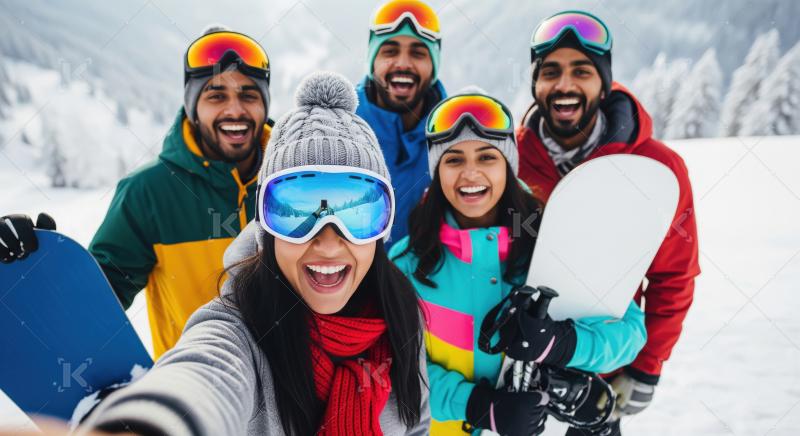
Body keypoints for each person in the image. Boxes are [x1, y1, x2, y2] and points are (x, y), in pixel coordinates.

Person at [60, 72, 429, 435]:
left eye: (357, 211)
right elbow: (204, 376)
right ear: (265, 228)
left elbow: (416, 426)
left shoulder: (400, 315)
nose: (329, 242)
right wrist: (146, 424)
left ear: (383, 226)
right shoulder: (241, 328)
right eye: (296, 212)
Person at [0, 27, 274, 359]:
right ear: (192, 107)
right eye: (216, 96)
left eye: (249, 95)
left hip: (294, 387)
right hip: (198, 383)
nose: (234, 110)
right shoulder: (149, 193)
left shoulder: (291, 181)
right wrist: (38, 273)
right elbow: (94, 306)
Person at [389, 92, 647, 436]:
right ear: (437, 172)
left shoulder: (551, 242)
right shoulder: (407, 263)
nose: (470, 173)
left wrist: (563, 343)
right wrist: (476, 405)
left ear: (508, 166)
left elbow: (630, 333)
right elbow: (394, 368)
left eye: (487, 157)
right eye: (453, 160)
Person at [516, 11, 700, 435]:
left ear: (604, 84)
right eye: (550, 72)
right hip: (519, 367)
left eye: (582, 71)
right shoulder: (510, 160)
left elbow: (673, 275)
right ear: (535, 84)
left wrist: (647, 367)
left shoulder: (655, 168)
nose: (564, 85)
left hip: (603, 366)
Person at [355, 0, 447, 246]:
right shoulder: (340, 127)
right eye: (390, 51)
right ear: (373, 59)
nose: (404, 63)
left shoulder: (453, 132)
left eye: (418, 53)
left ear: (433, 65)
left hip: (427, 270)